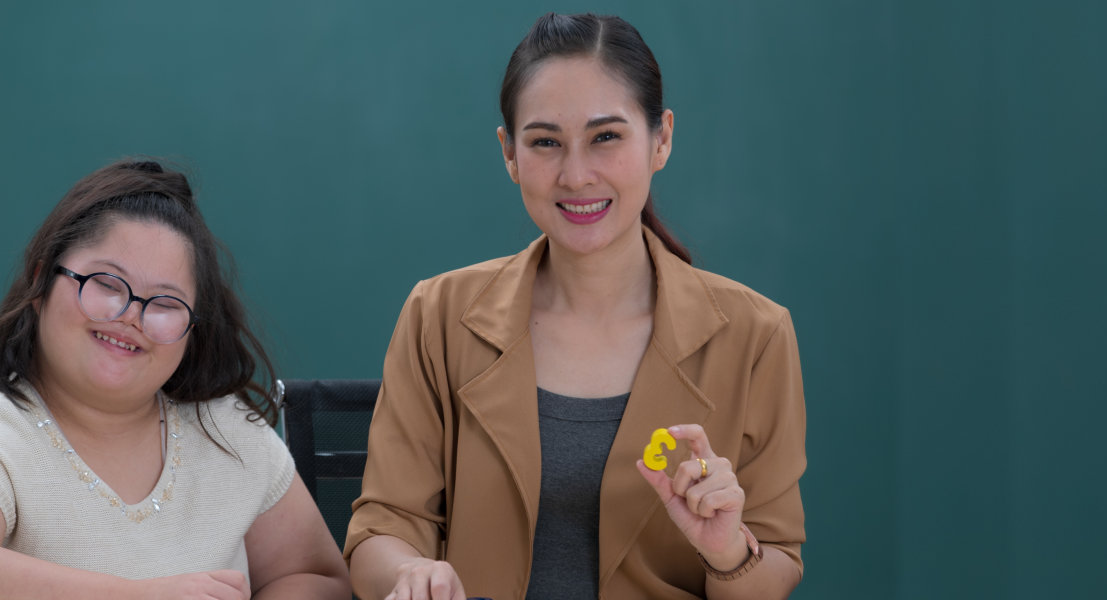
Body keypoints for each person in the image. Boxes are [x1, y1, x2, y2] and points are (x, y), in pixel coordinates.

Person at [344, 13, 806, 600]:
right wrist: (408, 571)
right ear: (509, 153)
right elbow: (380, 532)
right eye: (545, 143)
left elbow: (775, 570)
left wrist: (726, 550)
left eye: (606, 136)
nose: (576, 174)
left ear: (661, 138)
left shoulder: (755, 335)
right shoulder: (437, 315)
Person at [0, 159, 350, 599]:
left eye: (165, 304)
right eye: (106, 284)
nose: (131, 316)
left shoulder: (228, 429)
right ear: (40, 283)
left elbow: (314, 575)